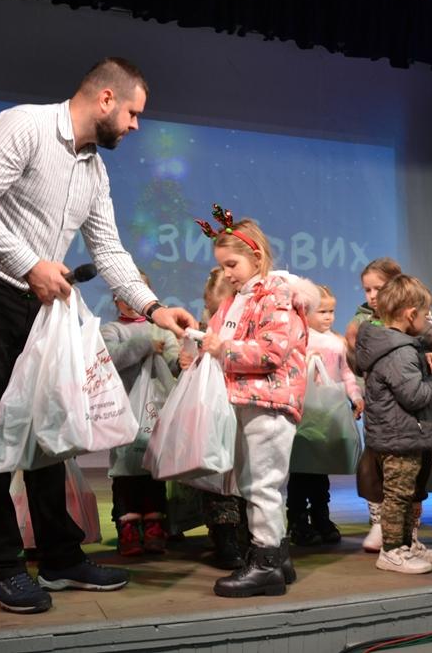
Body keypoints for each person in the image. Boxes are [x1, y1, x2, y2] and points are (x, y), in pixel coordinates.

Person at [0, 57, 197, 614]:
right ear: (106, 98)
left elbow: (107, 249)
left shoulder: (93, 171)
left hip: (35, 297)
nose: (134, 126)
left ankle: (59, 556)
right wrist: (30, 261)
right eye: (133, 113)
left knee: (48, 419)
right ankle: (2, 567)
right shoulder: (24, 126)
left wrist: (154, 308)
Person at [198, 205, 313, 597]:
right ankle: (276, 557)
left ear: (256, 257)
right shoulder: (241, 297)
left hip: (270, 401)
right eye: (223, 266)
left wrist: (221, 350)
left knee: (262, 484)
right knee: (258, 482)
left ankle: (265, 565)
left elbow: (271, 351)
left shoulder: (276, 294)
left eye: (232, 264)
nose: (227, 273)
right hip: (251, 398)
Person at [354, 275, 432, 575]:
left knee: (405, 495)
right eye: (425, 314)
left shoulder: (394, 347)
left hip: (397, 434)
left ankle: (406, 544)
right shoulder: (400, 351)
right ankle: (392, 551)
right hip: (400, 436)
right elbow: (414, 395)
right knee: (397, 497)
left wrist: (422, 360)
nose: (427, 320)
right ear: (411, 314)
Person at [101, 271, 180, 557]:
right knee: (125, 470)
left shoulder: (162, 331)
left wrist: (182, 361)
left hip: (155, 409)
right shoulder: (111, 330)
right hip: (123, 410)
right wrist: (144, 345)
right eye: (124, 294)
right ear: (115, 298)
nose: (131, 301)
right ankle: (128, 526)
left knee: (152, 468)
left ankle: (155, 524)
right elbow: (110, 359)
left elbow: (173, 363)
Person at [179, 266, 248, 570]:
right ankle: (225, 540)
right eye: (210, 309)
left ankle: (246, 540)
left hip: (239, 409)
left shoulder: (246, 328)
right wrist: (186, 361)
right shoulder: (202, 331)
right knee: (215, 478)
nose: (214, 316)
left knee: (242, 479)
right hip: (211, 412)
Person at [287, 284, 363, 546]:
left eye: (331, 311)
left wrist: (355, 397)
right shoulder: (299, 339)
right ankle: (297, 520)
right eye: (322, 311)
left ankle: (322, 516)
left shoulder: (337, 342)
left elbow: (346, 374)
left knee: (321, 469)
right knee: (300, 468)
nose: (328, 317)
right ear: (305, 313)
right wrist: (306, 361)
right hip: (304, 411)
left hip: (328, 412)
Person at [344, 257, 402, 553]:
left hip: (405, 405)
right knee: (375, 462)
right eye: (367, 290)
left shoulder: (412, 316)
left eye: (378, 288)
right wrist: (352, 346)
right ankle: (378, 522)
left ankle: (404, 526)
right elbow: (355, 366)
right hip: (376, 404)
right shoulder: (361, 321)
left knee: (404, 465)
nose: (372, 296)